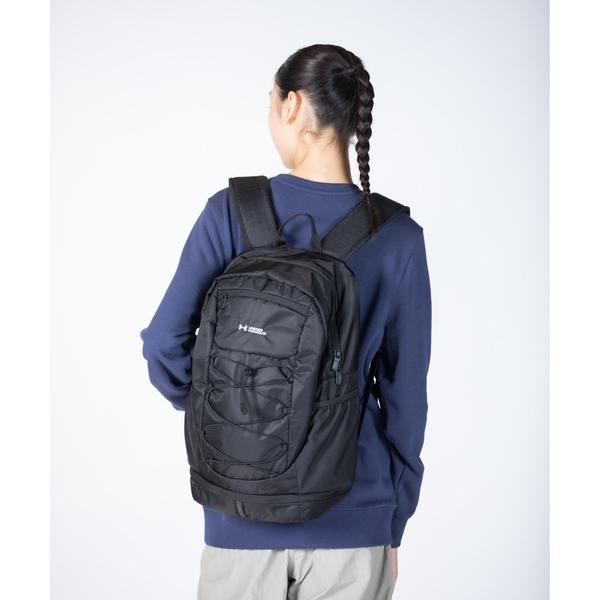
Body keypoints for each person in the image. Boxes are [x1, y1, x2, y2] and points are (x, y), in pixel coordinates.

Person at [140, 43, 432, 600]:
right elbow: (406, 401)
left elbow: (163, 346)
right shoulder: (398, 237)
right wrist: (393, 522)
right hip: (356, 514)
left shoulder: (230, 212)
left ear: (292, 105)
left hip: (240, 511)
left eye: (271, 102)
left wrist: (232, 411)